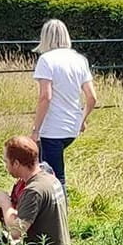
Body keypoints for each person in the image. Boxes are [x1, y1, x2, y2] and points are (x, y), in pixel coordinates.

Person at [31, 19, 97, 185]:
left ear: (45, 37)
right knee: (45, 171)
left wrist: (35, 129)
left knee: (55, 177)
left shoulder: (46, 60)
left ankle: (59, 209)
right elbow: (92, 97)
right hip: (72, 127)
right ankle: (47, 206)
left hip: (52, 129)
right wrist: (82, 120)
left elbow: (45, 97)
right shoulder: (79, 60)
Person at [0, 135, 70, 245]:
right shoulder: (51, 179)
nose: (6, 167)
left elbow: (16, 232)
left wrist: (5, 204)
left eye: (6, 162)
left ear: (16, 163)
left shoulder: (33, 191)